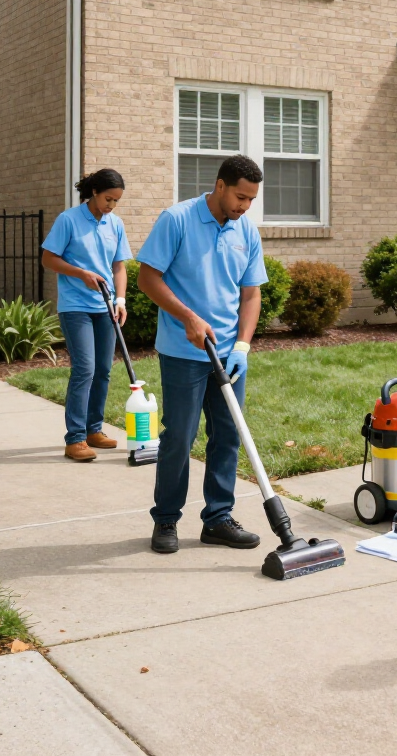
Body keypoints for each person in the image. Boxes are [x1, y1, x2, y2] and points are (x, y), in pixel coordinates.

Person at [137, 155, 268, 555]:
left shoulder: (246, 229)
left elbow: (251, 293)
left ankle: (217, 519)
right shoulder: (177, 219)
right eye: (241, 197)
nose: (245, 207)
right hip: (183, 352)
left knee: (228, 435)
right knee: (179, 436)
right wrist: (188, 317)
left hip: (229, 354)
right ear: (220, 185)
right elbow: (147, 277)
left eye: (251, 200)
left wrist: (243, 345)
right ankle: (166, 519)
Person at [41, 169, 132, 462]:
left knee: (103, 370)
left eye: (116, 201)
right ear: (94, 192)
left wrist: (121, 299)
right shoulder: (68, 220)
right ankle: (75, 439)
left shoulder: (114, 223)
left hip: (105, 307)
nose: (111, 206)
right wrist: (80, 273)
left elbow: (119, 266)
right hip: (75, 306)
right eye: (108, 199)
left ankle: (94, 430)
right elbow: (48, 258)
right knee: (85, 369)